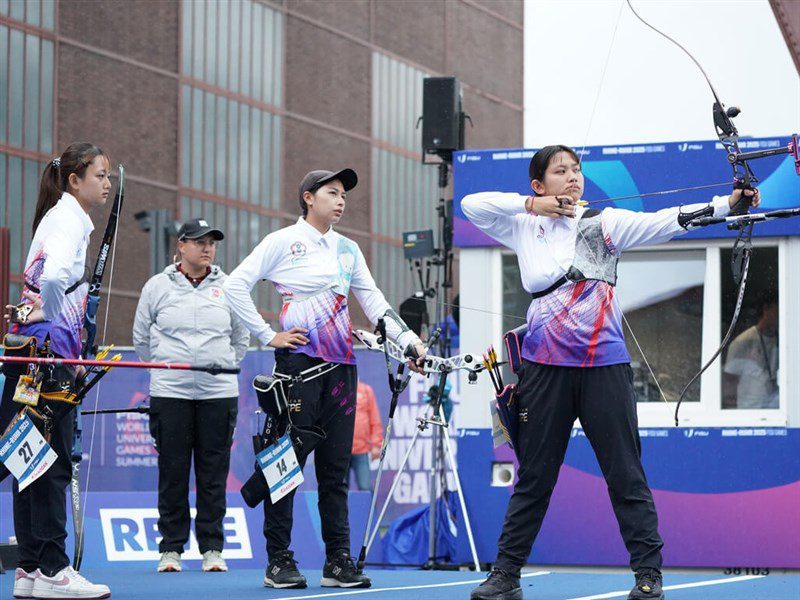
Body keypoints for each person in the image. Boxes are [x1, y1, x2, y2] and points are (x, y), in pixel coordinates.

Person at [462, 145, 760, 600]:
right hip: (545, 367)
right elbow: (471, 204)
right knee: (536, 476)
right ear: (539, 185)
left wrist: (728, 204)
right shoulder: (523, 224)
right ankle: (505, 574)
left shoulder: (604, 223)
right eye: (560, 171)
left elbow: (669, 219)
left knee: (625, 473)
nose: (573, 177)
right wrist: (531, 205)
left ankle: (648, 575)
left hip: (604, 364)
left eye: (576, 170)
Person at [223, 168, 426, 590]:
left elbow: (374, 300)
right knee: (285, 468)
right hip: (296, 370)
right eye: (332, 193)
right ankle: (278, 561)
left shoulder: (348, 249)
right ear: (308, 198)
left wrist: (408, 343)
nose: (341, 201)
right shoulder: (282, 241)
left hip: (341, 371)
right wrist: (267, 335)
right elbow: (235, 286)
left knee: (335, 471)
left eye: (344, 195)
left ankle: (338, 562)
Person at [0, 142, 112, 599]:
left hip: (31, 357)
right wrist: (45, 309)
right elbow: (53, 277)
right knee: (50, 464)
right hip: (48, 362)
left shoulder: (60, 218)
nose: (107, 184)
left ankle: (28, 568)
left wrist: (36, 311)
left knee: (28, 460)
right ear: (74, 180)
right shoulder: (68, 220)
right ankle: (53, 570)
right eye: (100, 175)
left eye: (108, 176)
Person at [132, 218, 249, 573]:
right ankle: (171, 549)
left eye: (212, 241)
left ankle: (213, 549)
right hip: (171, 393)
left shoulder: (230, 286)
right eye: (199, 241)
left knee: (213, 473)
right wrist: (164, 372)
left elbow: (240, 338)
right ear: (180, 246)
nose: (207, 247)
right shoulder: (156, 286)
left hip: (218, 393)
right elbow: (141, 338)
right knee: (173, 472)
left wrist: (220, 365)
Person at [723, 290, 778, 409]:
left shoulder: (783, 342)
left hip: (775, 410)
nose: (780, 316)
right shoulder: (742, 342)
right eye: (777, 311)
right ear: (766, 309)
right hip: (750, 413)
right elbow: (729, 384)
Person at [348, 381, 383, 491]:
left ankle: (369, 509)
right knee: (339, 490)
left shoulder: (366, 390)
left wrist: (376, 445)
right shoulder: (336, 390)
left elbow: (375, 419)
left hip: (361, 450)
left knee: (365, 487)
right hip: (340, 450)